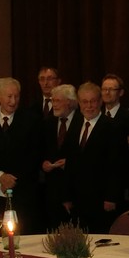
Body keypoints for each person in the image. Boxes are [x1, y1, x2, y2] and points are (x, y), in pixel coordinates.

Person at [63, 82, 123, 233]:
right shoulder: (75, 125)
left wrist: (111, 197)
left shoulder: (112, 127)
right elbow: (70, 163)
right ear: (79, 103)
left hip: (102, 201)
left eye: (93, 101)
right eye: (85, 102)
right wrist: (67, 196)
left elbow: (117, 165)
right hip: (78, 201)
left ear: (100, 101)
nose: (89, 106)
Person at [0, 77, 43, 233]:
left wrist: (12, 179)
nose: (13, 101)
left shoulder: (32, 120)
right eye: (9, 96)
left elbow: (34, 155)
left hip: (24, 193)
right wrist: (0, 176)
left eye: (17, 96)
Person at [41, 84, 81, 229]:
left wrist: (69, 163)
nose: (54, 104)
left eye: (57, 100)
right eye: (53, 100)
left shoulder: (82, 121)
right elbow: (41, 150)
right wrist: (43, 163)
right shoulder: (48, 122)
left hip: (75, 191)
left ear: (69, 102)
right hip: (52, 192)